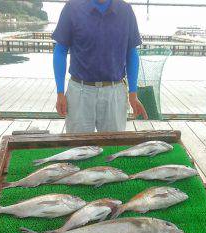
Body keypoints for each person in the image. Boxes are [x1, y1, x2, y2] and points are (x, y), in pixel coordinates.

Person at [52, 0, 148, 133]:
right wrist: (60, 92)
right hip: (79, 91)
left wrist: (133, 93)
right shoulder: (72, 8)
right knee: (78, 147)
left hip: (115, 91)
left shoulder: (126, 11)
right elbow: (60, 50)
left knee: (114, 147)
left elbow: (131, 53)